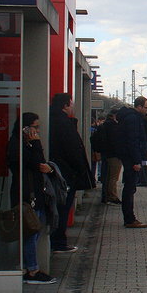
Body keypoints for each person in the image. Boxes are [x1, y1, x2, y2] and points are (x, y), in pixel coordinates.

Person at [7, 112, 57, 284]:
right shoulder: (16, 145)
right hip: (27, 193)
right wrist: (35, 143)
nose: (37, 131)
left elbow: (42, 164)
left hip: (35, 192)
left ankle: (30, 267)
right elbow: (36, 163)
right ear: (25, 128)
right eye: (35, 127)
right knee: (31, 231)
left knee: (36, 229)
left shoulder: (25, 145)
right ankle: (32, 270)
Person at [47, 93, 94, 253]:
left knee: (57, 208)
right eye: (71, 104)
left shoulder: (50, 120)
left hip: (56, 170)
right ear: (66, 105)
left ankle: (56, 240)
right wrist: (78, 170)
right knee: (62, 208)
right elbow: (73, 150)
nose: (73, 106)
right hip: (64, 174)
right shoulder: (63, 123)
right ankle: (59, 242)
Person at [113, 98, 147, 228]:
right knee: (130, 189)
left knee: (129, 188)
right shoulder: (133, 119)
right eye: (146, 108)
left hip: (128, 157)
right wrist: (136, 161)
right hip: (131, 159)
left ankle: (129, 218)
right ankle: (129, 219)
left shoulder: (129, 117)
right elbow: (133, 141)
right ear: (139, 107)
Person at [92, 109, 121, 204]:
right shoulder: (114, 127)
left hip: (105, 154)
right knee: (113, 177)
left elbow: (93, 138)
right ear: (114, 116)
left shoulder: (103, 125)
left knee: (106, 176)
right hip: (114, 155)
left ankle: (106, 196)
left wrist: (99, 150)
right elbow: (116, 142)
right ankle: (112, 196)